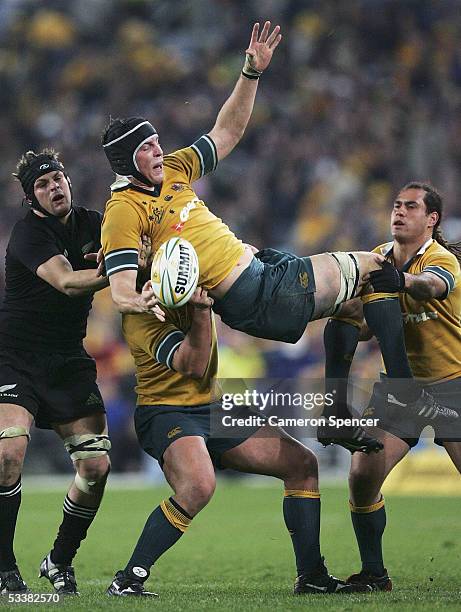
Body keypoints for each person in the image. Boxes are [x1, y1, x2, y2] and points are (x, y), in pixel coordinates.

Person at [99, 21, 452, 452]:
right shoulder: (122, 211)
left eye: (157, 142)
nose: (159, 151)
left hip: (263, 271)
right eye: (147, 147)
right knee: (377, 268)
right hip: (253, 292)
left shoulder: (173, 169)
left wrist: (251, 74)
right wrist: (146, 297)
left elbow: (225, 133)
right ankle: (403, 396)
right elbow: (119, 291)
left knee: (356, 305)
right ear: (125, 160)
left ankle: (336, 415)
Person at [105, 283, 372, 597]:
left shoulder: (198, 277)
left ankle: (312, 575)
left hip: (215, 405)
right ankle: (128, 579)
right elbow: (194, 365)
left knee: (302, 464)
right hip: (167, 410)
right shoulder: (140, 311)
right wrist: (203, 310)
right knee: (198, 486)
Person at [322, 182, 461, 590]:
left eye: (411, 207)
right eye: (396, 205)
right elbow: (366, 327)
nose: (399, 212)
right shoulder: (378, 258)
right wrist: (342, 313)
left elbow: (432, 286)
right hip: (402, 390)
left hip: (454, 384)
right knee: (362, 475)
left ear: (431, 219)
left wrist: (397, 282)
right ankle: (374, 573)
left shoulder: (441, 260)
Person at [0, 149, 112, 595]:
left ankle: (59, 560)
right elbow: (67, 282)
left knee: (96, 467)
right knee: (8, 455)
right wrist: (116, 271)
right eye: (43, 186)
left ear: (68, 180)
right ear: (32, 199)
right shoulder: (27, 235)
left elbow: (133, 250)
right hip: (15, 355)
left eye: (58, 178)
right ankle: (5, 566)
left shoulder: (94, 221)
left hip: (67, 358)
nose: (54, 187)